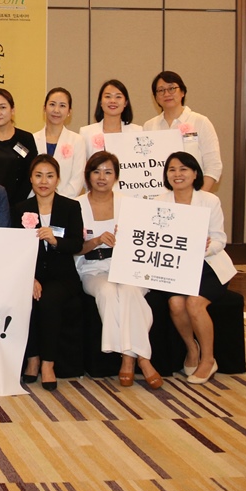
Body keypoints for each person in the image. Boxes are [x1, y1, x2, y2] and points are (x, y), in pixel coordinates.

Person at [76, 151, 162, 389]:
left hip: (127, 266)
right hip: (92, 267)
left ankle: (129, 359)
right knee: (107, 292)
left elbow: (145, 241)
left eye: (108, 172)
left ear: (116, 176)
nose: (102, 177)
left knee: (129, 292)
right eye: (96, 171)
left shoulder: (129, 204)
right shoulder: (77, 205)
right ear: (88, 175)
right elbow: (74, 248)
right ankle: (142, 357)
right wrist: (96, 241)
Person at [156, 151, 237, 384]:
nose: (177, 174)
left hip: (208, 266)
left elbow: (220, 240)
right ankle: (192, 348)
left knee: (193, 302)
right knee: (175, 303)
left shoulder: (209, 200)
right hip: (177, 268)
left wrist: (204, 247)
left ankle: (209, 359)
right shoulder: (159, 202)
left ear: (194, 174)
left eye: (183, 169)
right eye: (172, 169)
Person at [12, 154, 84, 391]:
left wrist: (55, 241)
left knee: (48, 300)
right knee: (26, 299)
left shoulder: (70, 207)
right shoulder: (21, 209)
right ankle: (32, 358)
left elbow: (77, 244)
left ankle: (48, 363)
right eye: (38, 175)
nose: (44, 181)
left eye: (50, 176)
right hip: (31, 274)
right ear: (31, 179)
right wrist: (29, 278)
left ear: (57, 179)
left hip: (62, 276)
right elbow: (14, 249)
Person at [144, 71, 222, 192]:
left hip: (194, 194)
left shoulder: (200, 122)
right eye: (161, 90)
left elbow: (214, 166)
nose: (166, 94)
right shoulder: (149, 126)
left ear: (182, 92)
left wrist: (198, 197)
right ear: (156, 97)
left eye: (172, 88)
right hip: (158, 197)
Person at [0, 89, 37, 204]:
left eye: (3, 107)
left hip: (19, 204)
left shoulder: (25, 139)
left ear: (12, 110)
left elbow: (31, 172)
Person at [32, 88, 85, 198]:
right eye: (52, 104)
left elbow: (77, 181)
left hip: (65, 203)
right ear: (44, 108)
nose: (56, 110)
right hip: (35, 202)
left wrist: (56, 202)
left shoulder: (77, 141)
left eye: (62, 106)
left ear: (69, 111)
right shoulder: (32, 139)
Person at [79, 79, 140, 159]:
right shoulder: (86, 133)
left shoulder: (138, 131)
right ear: (100, 102)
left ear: (125, 103)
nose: (113, 101)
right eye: (108, 96)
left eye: (118, 97)